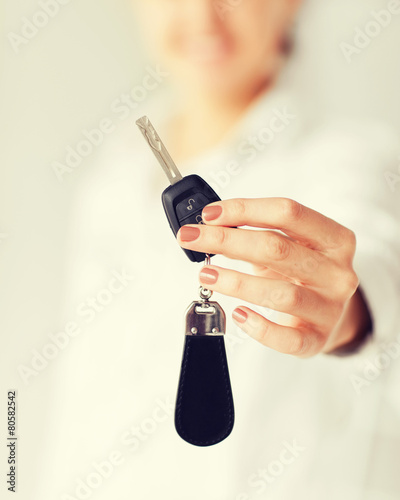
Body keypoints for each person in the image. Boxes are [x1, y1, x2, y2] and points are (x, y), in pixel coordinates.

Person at [37, 1, 400, 499]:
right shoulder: (110, 176)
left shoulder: (351, 159)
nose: (204, 16)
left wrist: (348, 316)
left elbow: (372, 271)